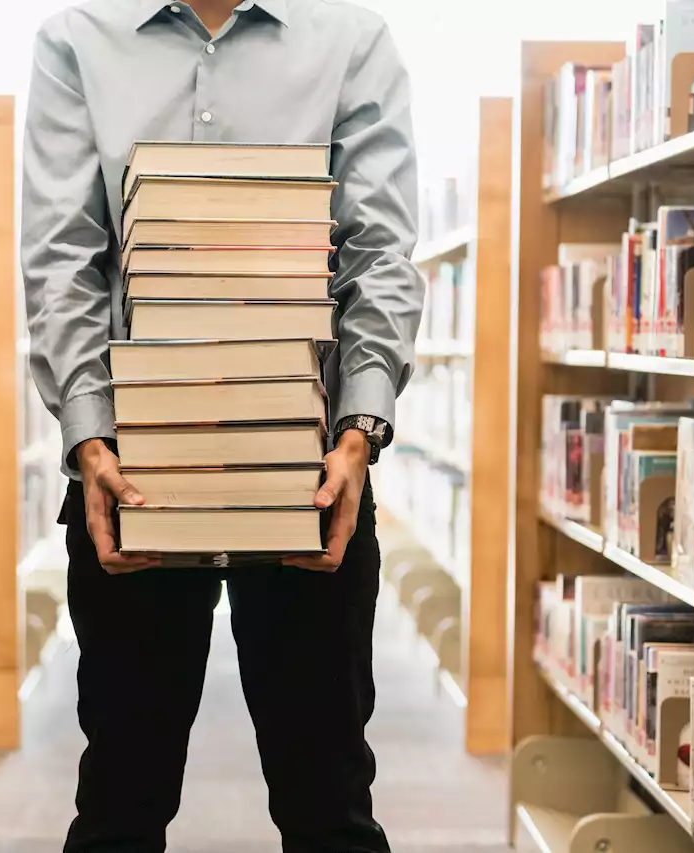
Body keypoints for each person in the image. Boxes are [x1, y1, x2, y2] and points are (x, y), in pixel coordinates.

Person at [21, 1, 423, 850]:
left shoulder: (351, 40)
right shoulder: (76, 40)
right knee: (121, 796)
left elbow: (379, 251)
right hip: (131, 473)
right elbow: (63, 258)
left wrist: (358, 434)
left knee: (330, 801)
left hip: (310, 471)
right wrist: (90, 442)